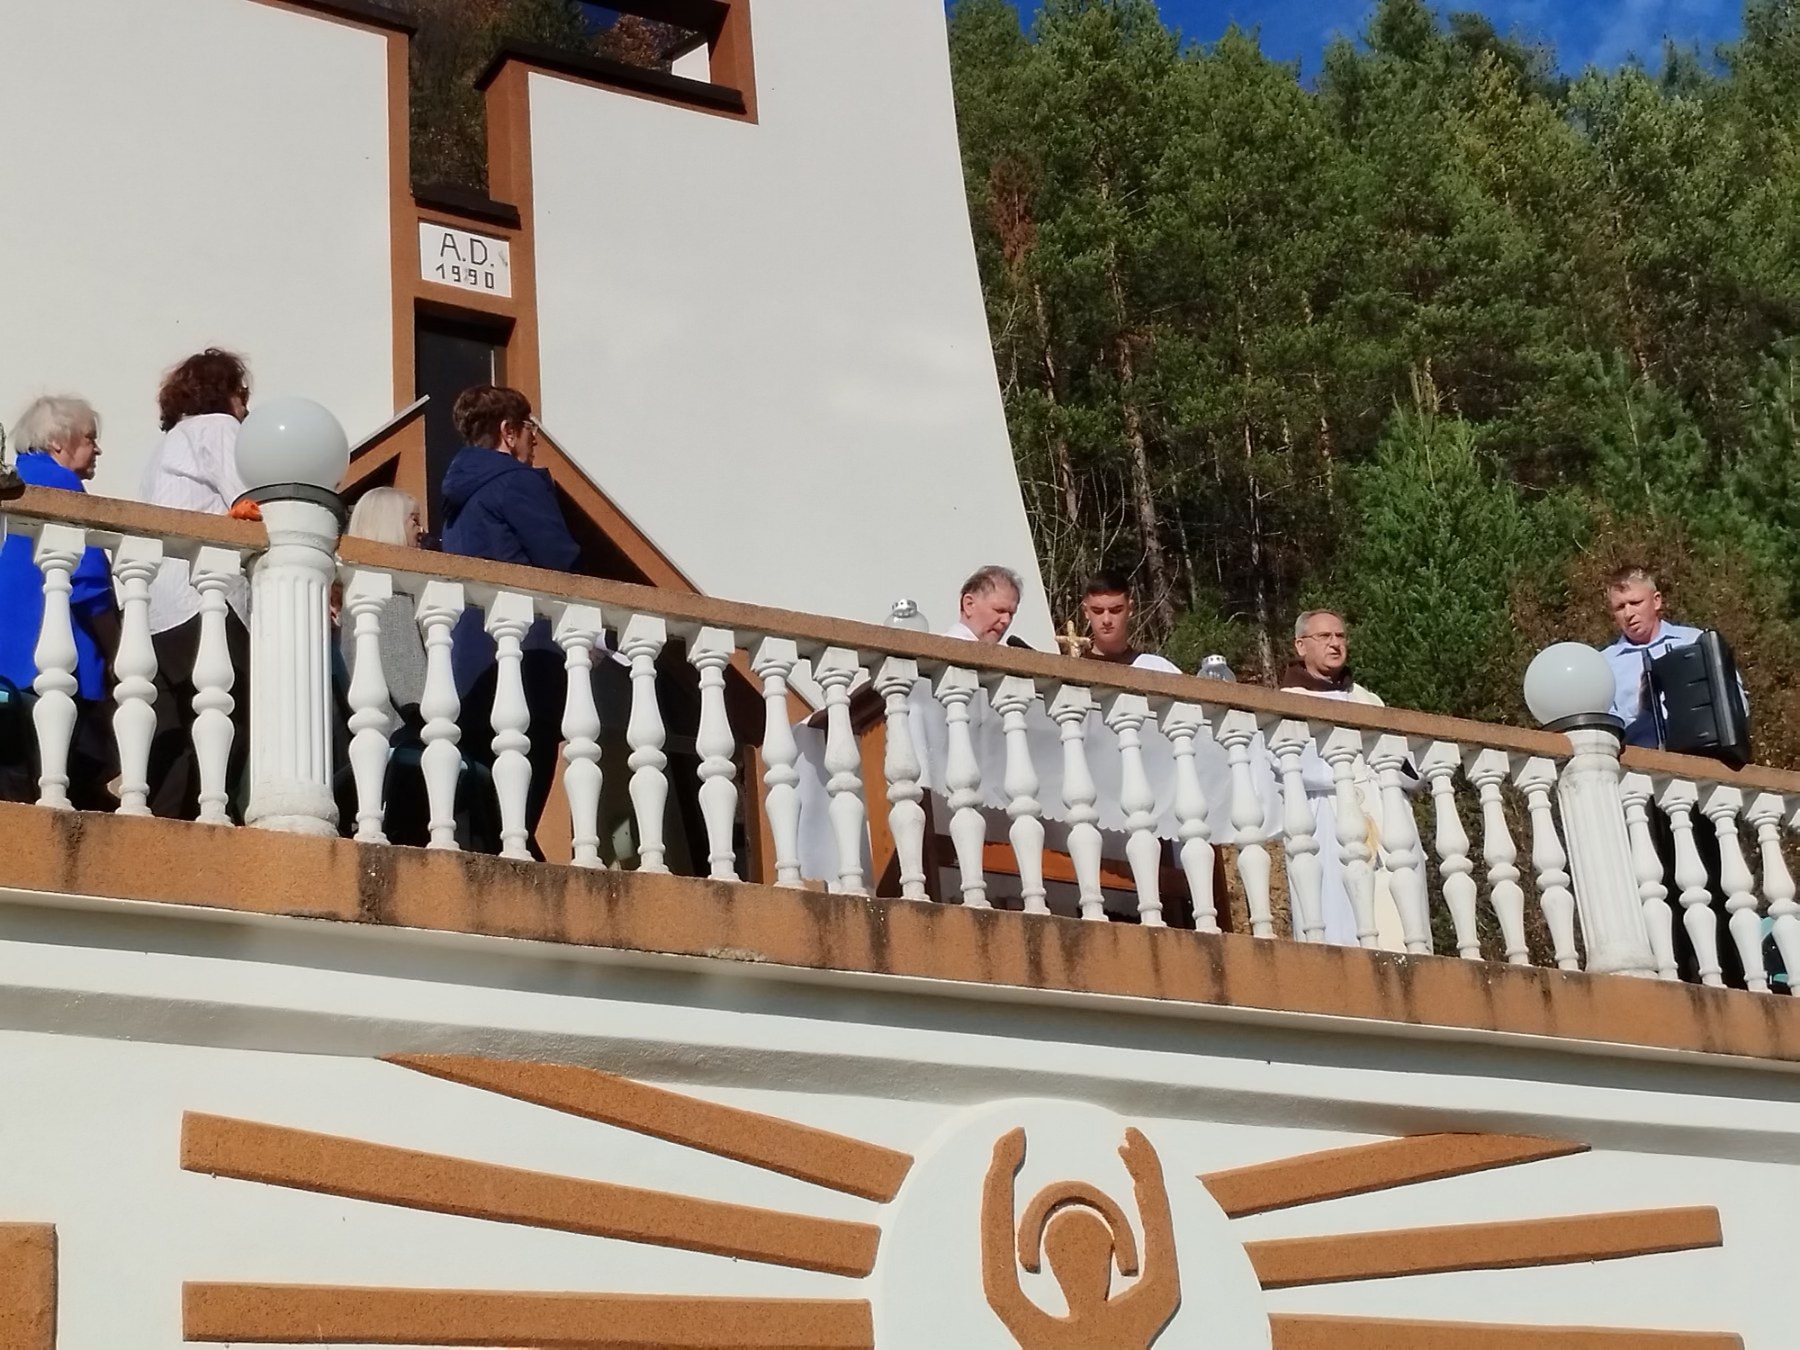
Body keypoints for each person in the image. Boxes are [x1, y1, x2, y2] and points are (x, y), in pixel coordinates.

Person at [439, 385, 579, 854]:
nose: (535, 438)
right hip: (527, 659)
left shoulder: (457, 499)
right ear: (508, 431)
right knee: (518, 808)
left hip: (470, 666)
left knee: (488, 804)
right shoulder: (517, 483)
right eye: (529, 427)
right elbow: (559, 561)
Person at [1600, 566, 1743, 985]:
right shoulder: (1603, 665)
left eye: (1635, 603)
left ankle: (1731, 972)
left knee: (1716, 876)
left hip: (1700, 782)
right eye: (1619, 607)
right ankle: (1679, 972)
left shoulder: (1696, 643)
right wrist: (1640, 709)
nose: (1628, 613)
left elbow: (1736, 704)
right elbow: (1606, 729)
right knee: (1660, 881)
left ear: (1657, 601)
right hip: (1644, 790)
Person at [140, 349, 253, 820]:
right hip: (204, 599)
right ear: (224, 391)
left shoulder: (166, 446)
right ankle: (208, 831)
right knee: (229, 723)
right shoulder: (220, 428)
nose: (246, 406)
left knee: (179, 737)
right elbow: (248, 501)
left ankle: (165, 837)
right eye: (242, 393)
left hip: (158, 609)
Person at [0, 397, 119, 807]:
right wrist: (117, 651)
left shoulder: (17, 480)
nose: (97, 449)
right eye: (89, 438)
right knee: (61, 788)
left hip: (9, 672)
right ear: (57, 442)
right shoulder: (60, 485)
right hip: (50, 670)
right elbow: (88, 583)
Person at [1278, 609, 1405, 950]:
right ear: (1301, 645)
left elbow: (1398, 759)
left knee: (1393, 920)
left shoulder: (1365, 698)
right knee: (1336, 915)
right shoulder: (1288, 702)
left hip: (1379, 814)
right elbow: (1288, 765)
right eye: (1324, 636)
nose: (1335, 644)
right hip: (1324, 819)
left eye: (1340, 636)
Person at [1079, 571, 1178, 673]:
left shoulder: (1159, 669)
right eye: (1098, 611)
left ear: (1130, 608)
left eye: (1115, 610)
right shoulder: (1074, 670)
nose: (1106, 620)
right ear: (1086, 611)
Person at [943, 565, 1021, 643]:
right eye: (1000, 610)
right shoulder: (947, 647)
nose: (1006, 620)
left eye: (1011, 614)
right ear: (969, 604)